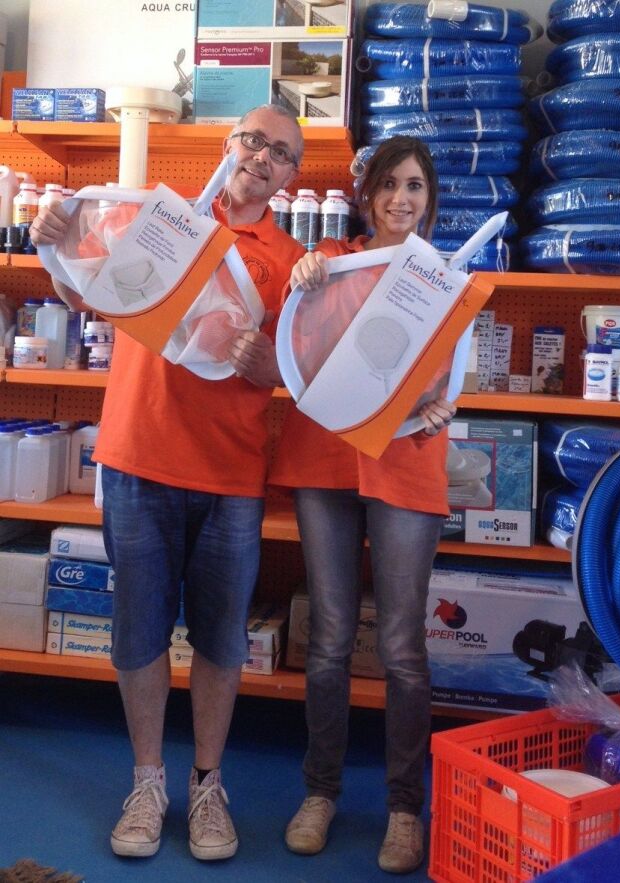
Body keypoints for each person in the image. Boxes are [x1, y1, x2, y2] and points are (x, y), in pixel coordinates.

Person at [29, 104, 306, 862]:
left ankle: (208, 784)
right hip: (138, 456)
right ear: (229, 144)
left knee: (221, 637)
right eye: (253, 140)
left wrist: (272, 368)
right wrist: (52, 240)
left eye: (280, 153)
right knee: (139, 628)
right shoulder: (160, 216)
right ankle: (147, 780)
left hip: (230, 474)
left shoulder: (289, 262)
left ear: (290, 176)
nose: (262, 157)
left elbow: (302, 368)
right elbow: (83, 290)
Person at [270, 135, 456, 875]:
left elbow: (449, 375)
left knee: (404, 646)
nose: (400, 199)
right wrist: (302, 280)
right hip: (325, 458)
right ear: (367, 195)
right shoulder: (330, 263)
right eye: (388, 185)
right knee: (329, 637)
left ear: (429, 198)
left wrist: (442, 408)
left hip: (406, 461)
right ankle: (320, 793)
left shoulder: (441, 279)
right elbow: (298, 342)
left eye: (414, 186)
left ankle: (405, 808)